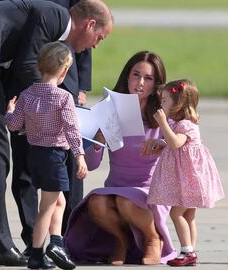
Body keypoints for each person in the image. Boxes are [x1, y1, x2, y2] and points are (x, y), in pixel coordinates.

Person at [0, 0, 112, 266]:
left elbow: (20, 66)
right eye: (99, 37)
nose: (96, 45)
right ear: (89, 24)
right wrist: (56, 105)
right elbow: (28, 66)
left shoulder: (52, 21)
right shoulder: (55, 16)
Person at [64, 51, 176, 265]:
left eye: (148, 78)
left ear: (157, 84)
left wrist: (162, 143)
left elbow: (182, 147)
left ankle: (153, 239)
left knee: (126, 201)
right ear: (127, 77)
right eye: (136, 75)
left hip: (149, 190)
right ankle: (121, 240)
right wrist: (98, 139)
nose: (140, 82)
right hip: (115, 187)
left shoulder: (163, 115)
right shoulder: (111, 109)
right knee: (96, 202)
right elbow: (91, 164)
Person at [9, 0, 94, 254]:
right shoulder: (63, 98)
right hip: (55, 155)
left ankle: (56, 242)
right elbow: (71, 129)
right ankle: (38, 250)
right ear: (64, 70)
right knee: (49, 204)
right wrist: (79, 155)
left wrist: (9, 113)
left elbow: (13, 126)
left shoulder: (25, 95)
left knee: (56, 200)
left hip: (35, 152)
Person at [147, 79, 225, 267]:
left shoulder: (185, 125)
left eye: (165, 100)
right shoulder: (179, 124)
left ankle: (187, 250)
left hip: (189, 178)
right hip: (188, 177)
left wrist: (162, 124)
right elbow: (175, 144)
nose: (161, 104)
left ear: (178, 103)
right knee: (189, 215)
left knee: (176, 213)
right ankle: (190, 251)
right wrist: (162, 143)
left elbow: (176, 143)